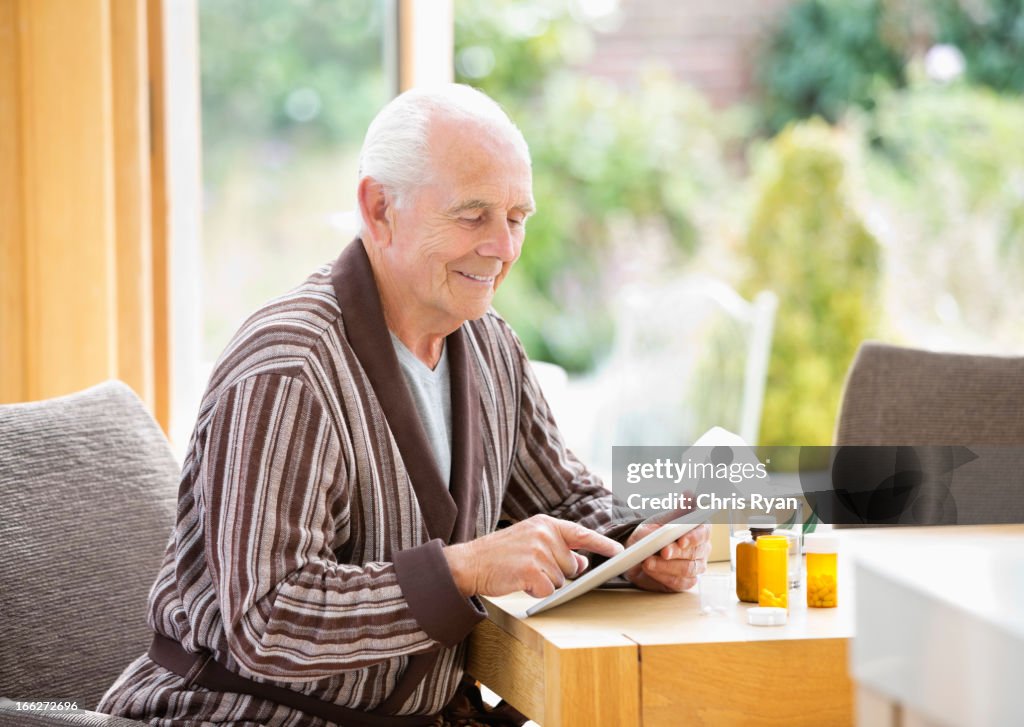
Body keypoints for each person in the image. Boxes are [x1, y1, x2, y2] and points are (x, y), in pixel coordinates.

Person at [98, 84, 711, 726]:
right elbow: (269, 620)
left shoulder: (490, 346)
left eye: (517, 218)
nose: (503, 248)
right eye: (473, 216)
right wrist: (464, 569)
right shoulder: (287, 369)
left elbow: (560, 500)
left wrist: (636, 547)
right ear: (379, 208)